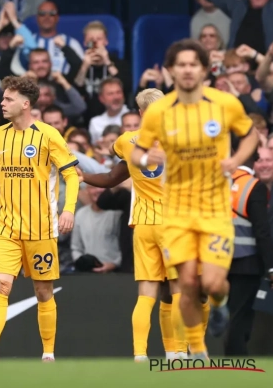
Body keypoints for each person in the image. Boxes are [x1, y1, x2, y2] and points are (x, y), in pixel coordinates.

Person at [130, 39, 259, 360]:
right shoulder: (159, 111)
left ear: (203, 69)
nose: (188, 70)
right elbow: (136, 151)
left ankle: (219, 304)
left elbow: (251, 135)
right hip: (176, 212)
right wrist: (146, 158)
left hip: (215, 210)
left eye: (193, 64)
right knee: (186, 282)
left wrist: (236, 159)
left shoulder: (224, 103)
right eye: (181, 65)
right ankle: (197, 351)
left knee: (213, 284)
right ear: (171, 71)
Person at [0, 76, 80, 363]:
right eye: (3, 98)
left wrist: (69, 209)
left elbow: (71, 175)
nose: (2, 103)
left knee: (43, 291)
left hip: (41, 228)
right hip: (7, 228)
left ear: (25, 104)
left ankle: (48, 354)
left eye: (8, 99)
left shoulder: (48, 135)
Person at [79, 88, 194, 362]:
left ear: (141, 113)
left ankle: (140, 354)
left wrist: (82, 176)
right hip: (174, 224)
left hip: (144, 225)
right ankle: (178, 352)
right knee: (178, 290)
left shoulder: (127, 140)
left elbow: (111, 173)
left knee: (146, 294)